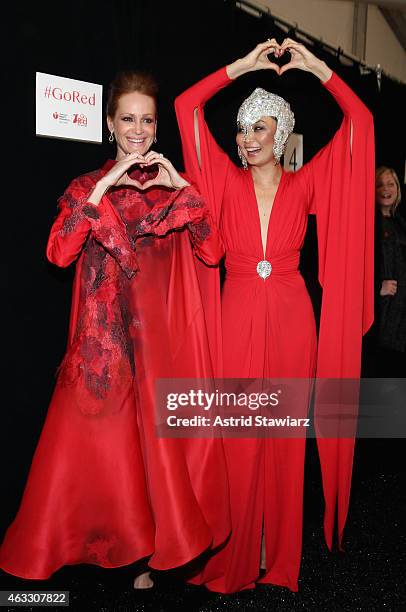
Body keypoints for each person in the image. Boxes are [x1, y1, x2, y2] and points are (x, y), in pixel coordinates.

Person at [0, 70, 230, 589]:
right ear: (110, 124)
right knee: (91, 456)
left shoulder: (171, 192)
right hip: (103, 348)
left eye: (147, 120)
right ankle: (77, 552)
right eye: (127, 118)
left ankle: (148, 559)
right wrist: (107, 183)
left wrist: (182, 188)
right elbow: (58, 252)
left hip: (155, 346)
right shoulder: (87, 187)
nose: (138, 129)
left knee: (151, 458)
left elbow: (214, 252)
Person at [175, 38, 374, 592]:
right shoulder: (221, 180)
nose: (248, 138)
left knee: (284, 438)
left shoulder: (305, 182)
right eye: (244, 128)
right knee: (239, 436)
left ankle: (279, 556)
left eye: (261, 128)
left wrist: (320, 71)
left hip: (291, 315)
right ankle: (234, 556)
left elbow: (361, 122)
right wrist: (238, 67)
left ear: (281, 135)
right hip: (236, 310)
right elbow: (185, 108)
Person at [374, 166, 406, 376]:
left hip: (402, 312)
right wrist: (378, 287)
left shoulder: (401, 223)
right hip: (384, 313)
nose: (386, 189)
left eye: (391, 184)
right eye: (380, 185)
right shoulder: (369, 223)